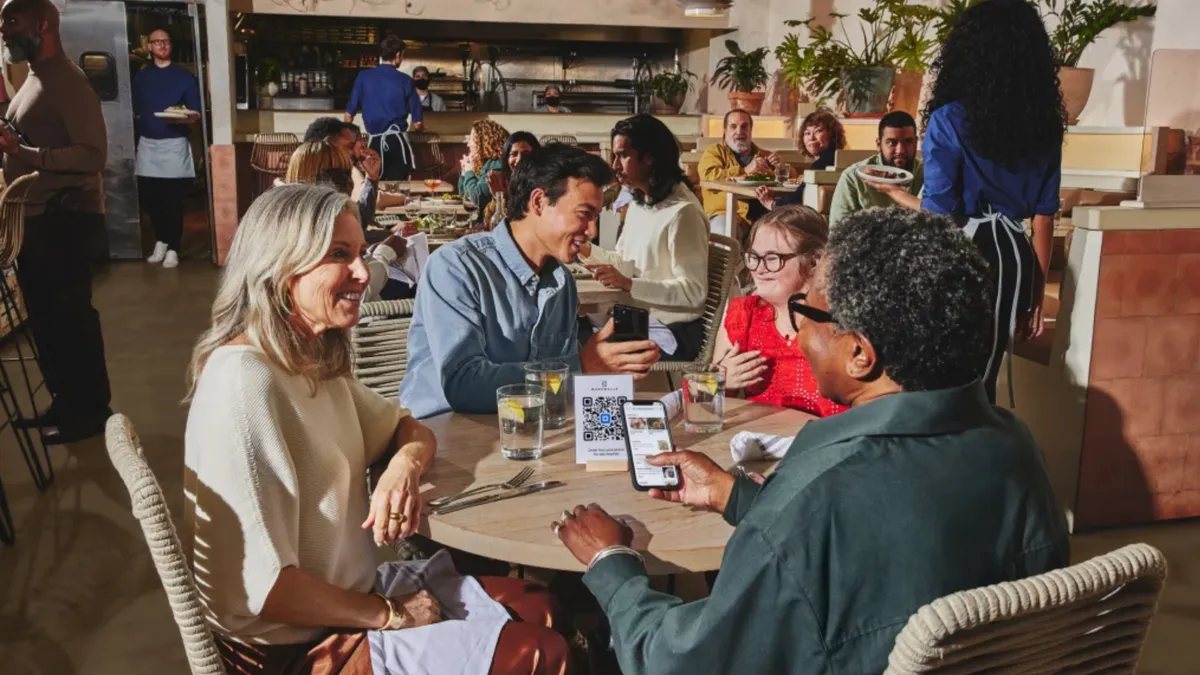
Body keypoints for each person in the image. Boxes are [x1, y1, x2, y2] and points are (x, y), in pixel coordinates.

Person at [551, 207, 1069, 674]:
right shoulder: (1015, 447)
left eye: (810, 314)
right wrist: (736, 495)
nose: (797, 332)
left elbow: (684, 660)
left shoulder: (816, 491)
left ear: (860, 354)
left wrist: (611, 565)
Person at [185, 184, 571, 675]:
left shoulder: (311, 360)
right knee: (541, 653)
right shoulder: (244, 382)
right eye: (339, 255)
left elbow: (409, 427)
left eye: (362, 253)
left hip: (347, 599)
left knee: (540, 604)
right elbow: (263, 589)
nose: (365, 273)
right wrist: (389, 614)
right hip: (293, 647)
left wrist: (402, 469)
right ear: (281, 266)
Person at [867, 0, 1061, 403]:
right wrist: (1036, 295)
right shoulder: (1044, 125)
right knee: (983, 381)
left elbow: (940, 213)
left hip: (963, 251)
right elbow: (1044, 215)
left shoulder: (950, 119)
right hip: (1015, 261)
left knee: (937, 380)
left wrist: (900, 200)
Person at [400, 144, 660, 419]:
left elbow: (560, 388)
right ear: (538, 202)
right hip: (441, 434)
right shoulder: (456, 266)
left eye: (595, 218)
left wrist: (608, 372)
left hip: (527, 433)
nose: (592, 231)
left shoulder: (562, 284)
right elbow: (464, 385)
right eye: (584, 214)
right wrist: (580, 365)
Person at [0, 0, 113, 444]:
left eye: (12, 21)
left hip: (64, 220)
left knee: (71, 320)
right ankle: (66, 403)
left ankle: (91, 412)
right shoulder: (33, 78)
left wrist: (22, 153)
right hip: (39, 219)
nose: (4, 29)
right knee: (48, 323)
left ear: (43, 23)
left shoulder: (67, 82)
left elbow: (93, 155)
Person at [579, 115, 709, 361]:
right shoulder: (641, 201)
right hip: (636, 317)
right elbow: (626, 262)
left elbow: (694, 292)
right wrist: (585, 249)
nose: (614, 165)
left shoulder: (683, 213)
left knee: (577, 339)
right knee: (565, 328)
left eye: (623, 155)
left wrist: (629, 284)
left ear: (650, 157)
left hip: (671, 331)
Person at [712, 206, 846, 417]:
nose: (759, 269)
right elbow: (702, 405)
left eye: (773, 258)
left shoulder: (842, 321)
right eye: (754, 257)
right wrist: (720, 382)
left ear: (814, 261)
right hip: (761, 442)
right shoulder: (744, 316)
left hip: (830, 444)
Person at [132, 28, 201, 269]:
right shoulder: (141, 77)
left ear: (170, 45)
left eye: (165, 41)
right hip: (148, 145)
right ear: (149, 47)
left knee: (172, 202)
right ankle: (160, 242)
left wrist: (182, 118)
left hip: (174, 145)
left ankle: (174, 248)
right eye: (156, 42)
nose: (161, 45)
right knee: (153, 200)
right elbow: (137, 110)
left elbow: (196, 113)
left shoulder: (185, 77)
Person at [824, 111, 923, 228]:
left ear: (916, 143)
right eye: (892, 143)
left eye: (908, 142)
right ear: (878, 144)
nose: (900, 150)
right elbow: (839, 230)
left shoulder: (929, 174)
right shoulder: (854, 177)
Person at [345, 34, 423, 181]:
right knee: (398, 191)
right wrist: (420, 129)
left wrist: (352, 142)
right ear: (398, 55)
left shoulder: (363, 77)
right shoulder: (406, 81)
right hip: (397, 145)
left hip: (373, 145)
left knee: (374, 189)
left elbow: (348, 116)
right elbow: (418, 123)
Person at [302, 117, 406, 227]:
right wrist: (389, 235)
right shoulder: (322, 185)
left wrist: (371, 177)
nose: (358, 151)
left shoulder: (339, 175)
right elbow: (347, 234)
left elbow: (359, 222)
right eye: (350, 146)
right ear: (328, 147)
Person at [698, 109, 779, 236]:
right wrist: (744, 170)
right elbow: (708, 176)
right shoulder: (713, 152)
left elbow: (791, 179)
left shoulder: (765, 156)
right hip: (725, 214)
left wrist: (779, 167)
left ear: (750, 130)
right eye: (733, 126)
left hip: (763, 217)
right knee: (724, 230)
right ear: (725, 131)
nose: (739, 131)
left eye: (744, 126)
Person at [756, 109, 848, 210]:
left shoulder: (822, 164)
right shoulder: (834, 159)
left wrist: (771, 203)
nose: (811, 138)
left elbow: (798, 200)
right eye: (807, 133)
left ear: (832, 135)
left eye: (818, 131)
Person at [458, 119, 509, 226]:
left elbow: (477, 199)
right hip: (479, 221)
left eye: (472, 139)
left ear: (485, 142)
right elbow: (464, 196)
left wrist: (469, 171)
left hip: (491, 224)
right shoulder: (485, 164)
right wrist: (464, 173)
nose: (468, 144)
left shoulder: (496, 166)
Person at [485, 131, 541, 226]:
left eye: (526, 154)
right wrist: (498, 199)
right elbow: (488, 222)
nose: (519, 159)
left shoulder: (542, 185)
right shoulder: (505, 182)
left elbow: (522, 224)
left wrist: (505, 199)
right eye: (514, 154)